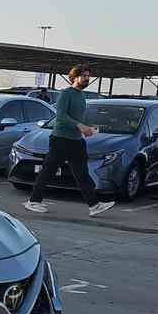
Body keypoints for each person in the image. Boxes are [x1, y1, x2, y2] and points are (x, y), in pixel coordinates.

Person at [24, 64, 115, 216]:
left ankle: (94, 205)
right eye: (84, 76)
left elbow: (76, 118)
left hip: (76, 140)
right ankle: (33, 201)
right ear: (75, 77)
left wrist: (86, 128)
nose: (87, 79)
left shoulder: (81, 95)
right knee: (49, 170)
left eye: (88, 76)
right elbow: (61, 116)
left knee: (82, 173)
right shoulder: (66, 93)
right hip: (61, 139)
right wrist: (79, 126)